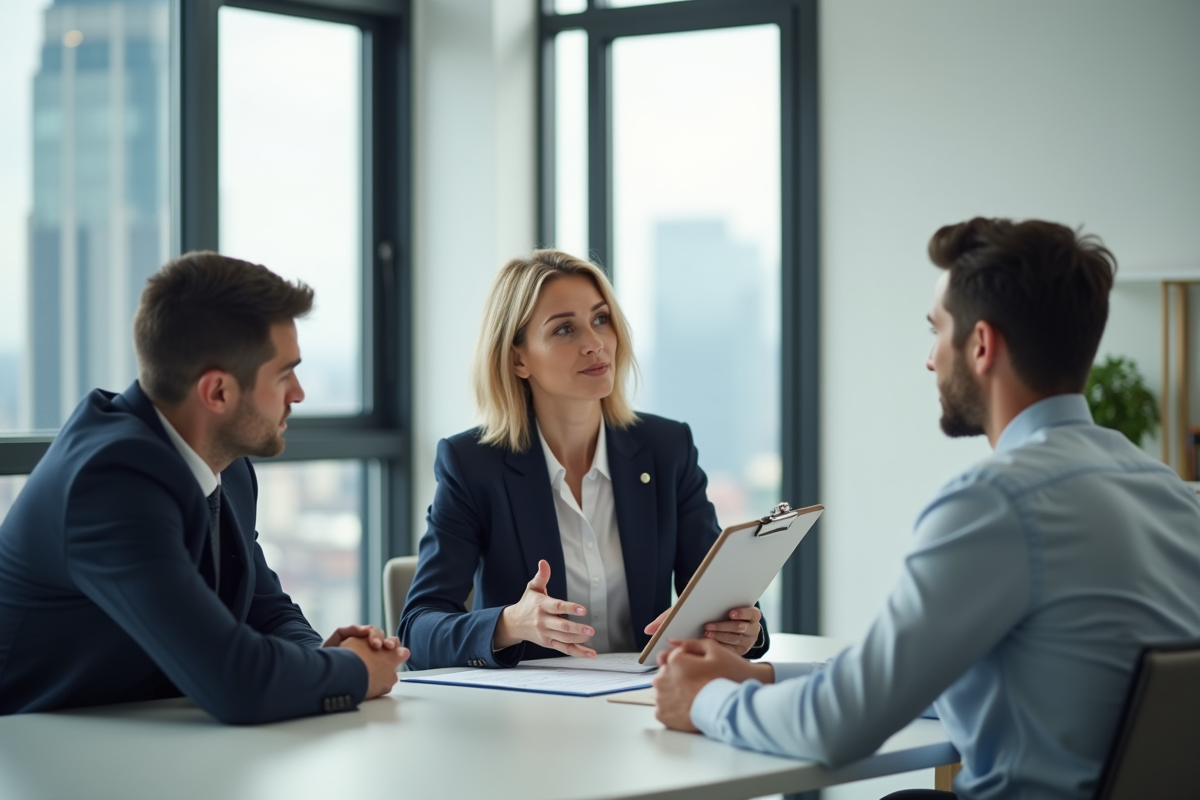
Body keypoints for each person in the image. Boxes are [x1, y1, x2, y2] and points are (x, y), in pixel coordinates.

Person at [651, 218, 1200, 799]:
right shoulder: (1167, 492)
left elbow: (839, 726)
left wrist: (705, 700)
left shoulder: (996, 502)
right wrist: (765, 675)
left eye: (937, 330)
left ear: (982, 346)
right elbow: (932, 678)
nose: (931, 360)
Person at [0, 252, 408, 724]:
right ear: (217, 392)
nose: (298, 393)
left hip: (151, 738)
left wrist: (321, 659)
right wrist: (356, 670)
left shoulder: (225, 464)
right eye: (283, 374)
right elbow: (237, 681)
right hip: (33, 754)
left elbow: (265, 609)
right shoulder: (110, 481)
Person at [399, 249, 769, 669]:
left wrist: (742, 629)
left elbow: (723, 599)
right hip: (530, 719)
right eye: (564, 330)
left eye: (600, 319)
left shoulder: (667, 448)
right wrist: (510, 623)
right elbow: (418, 631)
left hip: (649, 703)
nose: (595, 344)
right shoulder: (472, 465)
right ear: (519, 358)